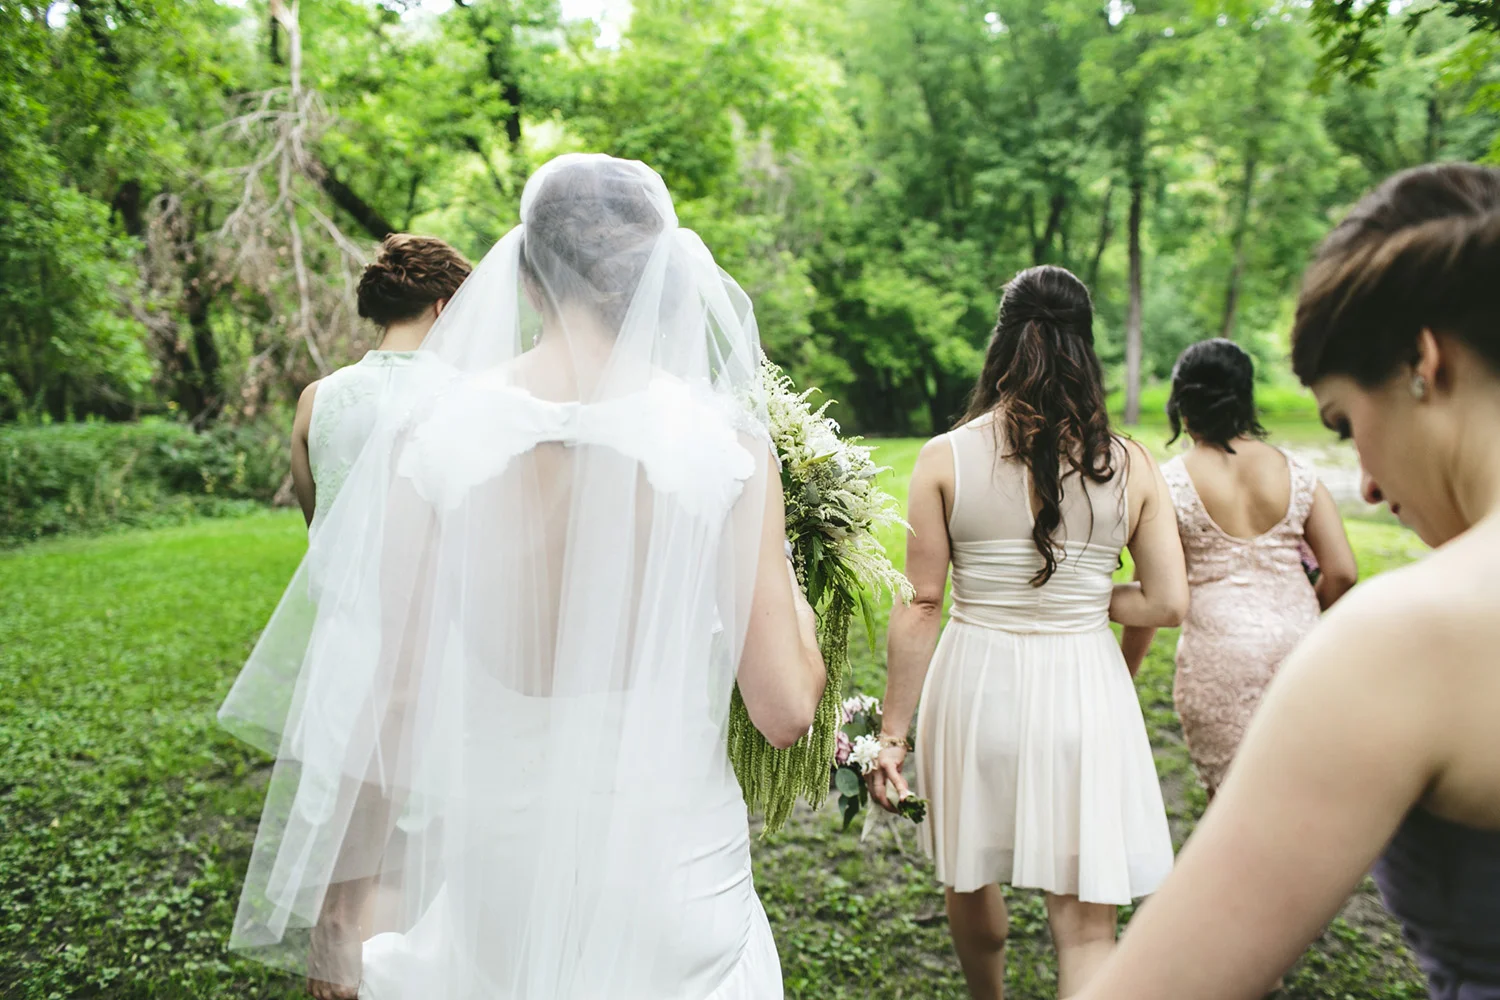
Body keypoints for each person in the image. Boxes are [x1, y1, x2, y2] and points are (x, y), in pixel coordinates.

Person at [218, 154, 827, 1000]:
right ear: (655, 277)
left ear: (528, 280)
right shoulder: (726, 445)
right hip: (672, 877)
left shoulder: (434, 435)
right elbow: (786, 710)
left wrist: (340, 909)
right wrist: (794, 594)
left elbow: (392, 699)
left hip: (499, 872)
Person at [1071, 162, 1500, 1000]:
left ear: (1424, 361)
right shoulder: (1313, 512)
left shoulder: (1411, 637)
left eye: (1345, 420)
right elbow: (1336, 567)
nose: (1366, 483)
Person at [870, 265, 1188, 999]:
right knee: (1086, 929)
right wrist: (1088, 597)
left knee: (969, 871)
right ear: (1086, 346)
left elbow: (921, 602)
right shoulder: (1133, 464)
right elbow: (1169, 603)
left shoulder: (944, 457)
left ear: (1002, 341)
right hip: (1083, 690)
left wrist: (892, 734)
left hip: (976, 691)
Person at [1121, 338, 1357, 796]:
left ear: (1181, 401)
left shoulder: (1170, 483)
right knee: (1301, 795)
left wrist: (1126, 673)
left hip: (1219, 657)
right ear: (1245, 398)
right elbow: (1343, 571)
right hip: (1300, 651)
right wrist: (1302, 614)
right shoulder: (1298, 473)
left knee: (1232, 802)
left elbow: (1151, 594)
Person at [290, 234, 472, 538]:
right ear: (443, 307)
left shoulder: (314, 399)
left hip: (337, 572)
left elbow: (320, 529)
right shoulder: (468, 396)